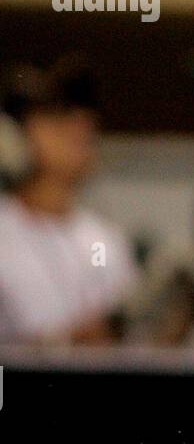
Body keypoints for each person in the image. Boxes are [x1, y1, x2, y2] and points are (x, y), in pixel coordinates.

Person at [0, 60, 137, 344]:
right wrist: (68, 343)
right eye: (58, 115)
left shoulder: (105, 239)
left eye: (84, 113)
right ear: (13, 134)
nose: (80, 125)